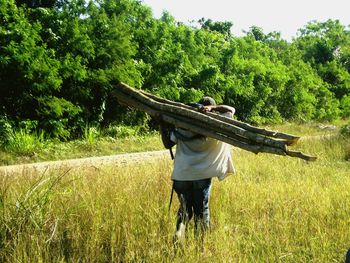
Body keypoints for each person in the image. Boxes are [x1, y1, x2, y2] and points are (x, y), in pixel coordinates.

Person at [159, 96, 235, 242]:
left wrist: (162, 125)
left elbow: (168, 144)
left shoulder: (184, 125)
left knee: (184, 210)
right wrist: (214, 109)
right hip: (202, 176)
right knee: (201, 212)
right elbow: (231, 109)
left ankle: (179, 235)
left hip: (182, 175)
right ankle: (200, 245)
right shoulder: (219, 125)